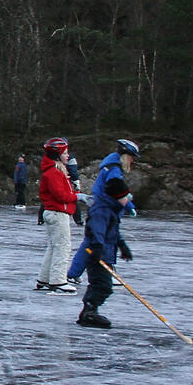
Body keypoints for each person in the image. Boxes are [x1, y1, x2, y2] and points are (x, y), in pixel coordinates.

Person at [73, 139, 140, 329]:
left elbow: (113, 231)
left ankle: (89, 311)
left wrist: (122, 246)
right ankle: (89, 313)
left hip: (105, 250)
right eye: (132, 158)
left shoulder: (110, 208)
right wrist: (97, 247)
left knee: (102, 285)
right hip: (99, 251)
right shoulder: (102, 208)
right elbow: (95, 229)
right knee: (102, 284)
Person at [36, 137, 81, 293]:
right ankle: (58, 281)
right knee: (62, 246)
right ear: (57, 155)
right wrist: (77, 197)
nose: (68, 156)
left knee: (53, 246)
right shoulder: (54, 172)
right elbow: (60, 195)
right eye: (65, 153)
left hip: (54, 213)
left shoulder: (57, 170)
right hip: (57, 213)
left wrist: (75, 193)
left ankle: (45, 278)